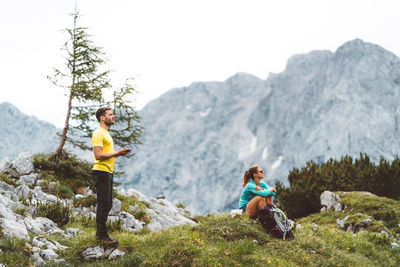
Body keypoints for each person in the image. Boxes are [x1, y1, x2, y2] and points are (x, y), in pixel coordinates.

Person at [92, 107, 130, 246]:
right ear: (102, 118)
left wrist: (117, 153)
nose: (113, 116)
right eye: (110, 114)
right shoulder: (98, 133)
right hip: (101, 171)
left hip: (107, 172)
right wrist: (117, 154)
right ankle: (102, 236)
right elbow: (98, 155)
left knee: (107, 204)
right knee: (104, 204)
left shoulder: (106, 134)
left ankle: (99, 233)